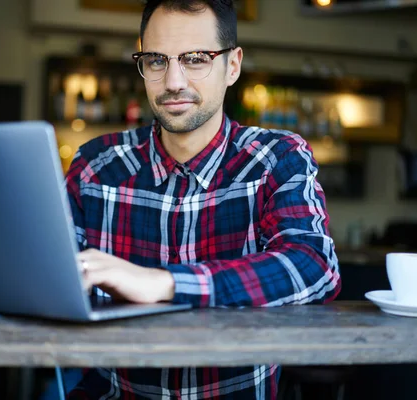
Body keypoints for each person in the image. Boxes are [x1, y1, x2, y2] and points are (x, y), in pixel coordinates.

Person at [64, 0, 342, 398]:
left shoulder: (275, 158)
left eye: (195, 59)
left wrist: (164, 284)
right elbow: (50, 278)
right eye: (157, 60)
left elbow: (315, 266)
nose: (173, 81)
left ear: (233, 66)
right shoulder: (96, 166)